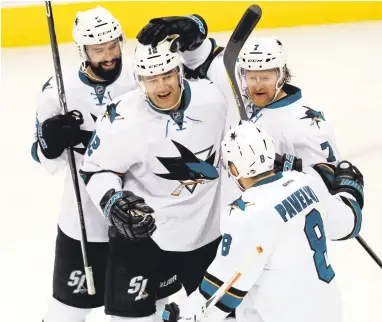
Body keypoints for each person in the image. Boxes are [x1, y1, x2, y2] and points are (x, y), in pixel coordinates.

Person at [32, 6, 178, 322]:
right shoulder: (57, 92)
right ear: (82, 51)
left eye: (113, 44)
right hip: (83, 219)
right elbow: (43, 158)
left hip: (143, 217)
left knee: (157, 307)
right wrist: (51, 140)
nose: (109, 54)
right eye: (99, 49)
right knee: (66, 313)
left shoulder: (140, 79)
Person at [79, 37, 229, 322]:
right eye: (151, 79)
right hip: (143, 234)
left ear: (180, 72)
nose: (162, 87)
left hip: (208, 233)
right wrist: (112, 201)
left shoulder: (214, 99)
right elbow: (96, 169)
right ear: (139, 80)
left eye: (167, 75)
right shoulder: (120, 117)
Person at [161, 122, 364, 322]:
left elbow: (223, 292)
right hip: (328, 311)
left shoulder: (245, 214)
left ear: (233, 167)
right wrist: (349, 189)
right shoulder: (306, 182)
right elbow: (348, 223)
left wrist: (183, 314)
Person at [136, 15, 340, 170]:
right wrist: (193, 26)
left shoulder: (308, 124)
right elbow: (201, 57)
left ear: (283, 75)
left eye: (266, 78)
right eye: (252, 77)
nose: (257, 85)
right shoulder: (238, 87)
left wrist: (277, 164)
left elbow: (325, 182)